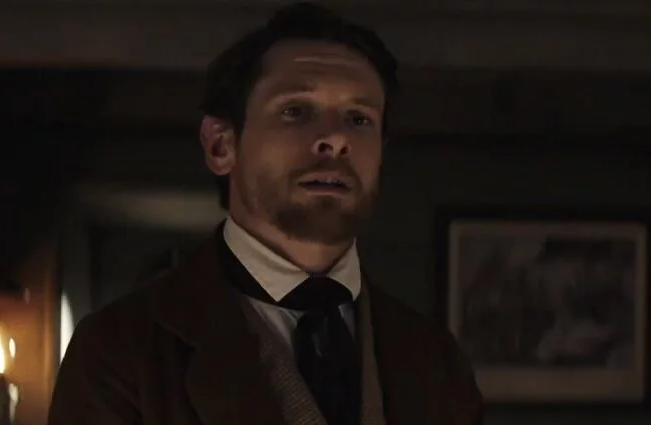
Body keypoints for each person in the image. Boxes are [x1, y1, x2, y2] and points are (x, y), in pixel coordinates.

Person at [48, 3, 483, 425]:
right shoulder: (120, 352)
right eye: (296, 111)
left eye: (358, 118)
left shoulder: (436, 360)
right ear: (221, 145)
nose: (336, 139)